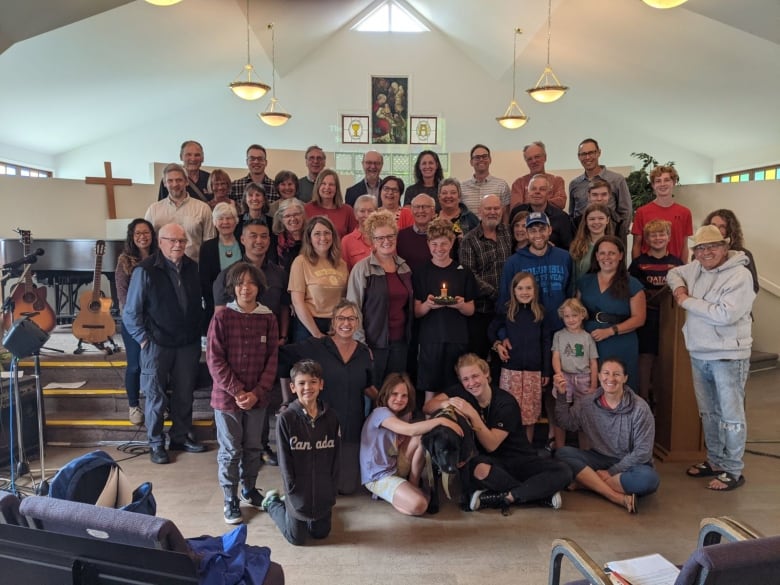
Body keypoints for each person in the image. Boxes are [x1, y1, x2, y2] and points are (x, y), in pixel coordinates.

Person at [667, 225, 756, 492]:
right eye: (701, 248)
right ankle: (715, 460)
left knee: (731, 415)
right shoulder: (695, 267)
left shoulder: (740, 275)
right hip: (699, 351)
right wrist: (680, 290)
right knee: (708, 413)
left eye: (713, 246)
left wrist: (686, 302)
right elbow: (673, 273)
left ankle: (733, 468)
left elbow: (724, 315)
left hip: (728, 355)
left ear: (725, 246)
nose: (706, 253)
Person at [424, 354, 572, 513]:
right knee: (475, 468)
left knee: (564, 471)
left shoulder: (505, 402)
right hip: (492, 463)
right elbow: (428, 407)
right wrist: (446, 403)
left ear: (486, 374)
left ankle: (509, 496)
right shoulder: (461, 391)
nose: (471, 383)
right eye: (465, 379)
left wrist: (472, 414)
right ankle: (538, 494)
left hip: (520, 459)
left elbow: (491, 445)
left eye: (475, 376)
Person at [122, 223, 207, 464]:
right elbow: (130, 312)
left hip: (187, 343)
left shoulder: (192, 267)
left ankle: (180, 436)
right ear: (160, 242)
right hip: (156, 344)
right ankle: (156, 442)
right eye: (172, 240)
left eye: (182, 241)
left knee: (184, 394)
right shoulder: (145, 270)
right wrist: (143, 339)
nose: (178, 245)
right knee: (156, 396)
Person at [213, 219, 290, 467]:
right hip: (233, 361)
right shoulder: (227, 275)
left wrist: (283, 336)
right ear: (242, 240)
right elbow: (218, 322)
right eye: (253, 236)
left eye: (264, 236)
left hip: (266, 348)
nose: (259, 241)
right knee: (232, 445)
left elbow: (284, 308)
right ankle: (231, 495)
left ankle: (261, 452)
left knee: (259, 419)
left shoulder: (278, 273)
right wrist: (237, 390)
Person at [206, 262, 279, 524]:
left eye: (250, 283)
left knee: (252, 447)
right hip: (227, 399)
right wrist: (238, 391)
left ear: (259, 287)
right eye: (240, 283)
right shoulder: (223, 316)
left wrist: (257, 392)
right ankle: (230, 498)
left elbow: (272, 359)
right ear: (232, 287)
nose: (245, 288)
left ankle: (249, 489)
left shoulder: (268, 317)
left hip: (258, 399)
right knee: (229, 450)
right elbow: (214, 359)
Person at [279, 301, 374, 495]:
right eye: (341, 318)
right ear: (333, 322)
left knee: (347, 488)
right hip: (321, 426)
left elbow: (370, 386)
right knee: (322, 488)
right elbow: (282, 357)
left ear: (357, 322)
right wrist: (288, 400)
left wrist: (390, 404)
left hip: (351, 425)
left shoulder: (365, 353)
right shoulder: (316, 346)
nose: (346, 323)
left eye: (351, 318)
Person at [555, 358, 659, 514]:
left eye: (616, 374)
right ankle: (615, 496)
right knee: (562, 454)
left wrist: (611, 472)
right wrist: (562, 396)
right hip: (599, 458)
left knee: (649, 480)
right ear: (598, 376)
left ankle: (587, 483)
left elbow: (643, 452)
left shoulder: (640, 408)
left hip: (630, 464)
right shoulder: (587, 403)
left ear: (625, 378)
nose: (610, 379)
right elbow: (566, 423)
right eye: (606, 373)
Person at [261, 359, 341, 546]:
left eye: (313, 382)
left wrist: (332, 486)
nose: (308, 387)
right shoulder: (286, 419)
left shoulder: (331, 417)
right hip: (297, 491)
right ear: (292, 387)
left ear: (321, 384)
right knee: (296, 538)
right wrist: (291, 489)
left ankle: (310, 511)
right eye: (302, 383)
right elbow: (284, 458)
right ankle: (273, 503)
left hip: (323, 490)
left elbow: (336, 455)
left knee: (321, 534)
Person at [360, 373, 463, 516]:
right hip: (379, 476)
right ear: (386, 394)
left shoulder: (404, 414)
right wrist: (442, 421)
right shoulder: (380, 412)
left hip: (394, 464)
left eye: (404, 395)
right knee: (420, 505)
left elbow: (415, 434)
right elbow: (410, 430)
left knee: (422, 435)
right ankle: (401, 495)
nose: (399, 399)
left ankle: (412, 484)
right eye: (394, 394)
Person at [347, 210, 414, 387]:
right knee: (373, 392)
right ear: (372, 241)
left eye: (390, 236)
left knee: (395, 393)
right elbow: (352, 310)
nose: (386, 241)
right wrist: (361, 345)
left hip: (400, 342)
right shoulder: (362, 269)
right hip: (373, 343)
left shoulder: (404, 267)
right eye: (380, 238)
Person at [413, 218, 477, 403]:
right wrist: (428, 305)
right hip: (430, 338)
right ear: (428, 244)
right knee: (430, 387)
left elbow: (471, 309)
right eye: (434, 244)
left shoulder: (463, 272)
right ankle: (428, 425)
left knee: (455, 388)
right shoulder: (421, 272)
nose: (439, 248)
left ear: (452, 243)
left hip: (457, 337)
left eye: (444, 243)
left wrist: (460, 305)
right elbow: (417, 311)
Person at [489, 272, 552, 442]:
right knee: (509, 411)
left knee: (530, 414)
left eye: (529, 288)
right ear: (513, 290)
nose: (525, 292)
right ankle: (509, 447)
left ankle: (527, 448)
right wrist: (498, 344)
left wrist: (546, 371)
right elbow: (490, 331)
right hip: (511, 371)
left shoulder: (541, 313)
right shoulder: (507, 309)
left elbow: (547, 342)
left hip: (534, 371)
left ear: (535, 290)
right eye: (520, 288)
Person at [578, 235, 646, 389]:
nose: (606, 257)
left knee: (618, 385)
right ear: (596, 256)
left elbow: (639, 318)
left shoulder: (632, 284)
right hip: (590, 340)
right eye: (602, 253)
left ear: (621, 256)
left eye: (611, 253)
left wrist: (610, 331)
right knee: (590, 384)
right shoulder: (584, 281)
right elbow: (577, 310)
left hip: (620, 341)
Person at [628, 219, 683, 402]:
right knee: (645, 358)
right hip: (646, 318)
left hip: (669, 319)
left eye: (662, 234)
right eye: (653, 235)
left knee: (665, 358)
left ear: (669, 237)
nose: (658, 238)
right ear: (646, 239)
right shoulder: (638, 264)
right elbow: (632, 290)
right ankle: (643, 399)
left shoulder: (678, 263)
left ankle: (664, 400)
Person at [497, 211, 574, 332]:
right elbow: (505, 300)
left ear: (550, 230)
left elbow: (571, 294)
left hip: (561, 328)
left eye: (542, 229)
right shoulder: (513, 263)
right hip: (529, 330)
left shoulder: (564, 257)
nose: (538, 235)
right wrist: (503, 333)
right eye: (532, 231)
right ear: (527, 234)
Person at [459, 194, 513, 360]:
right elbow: (469, 275)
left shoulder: (508, 233)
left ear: (502, 211)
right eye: (488, 208)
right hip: (481, 311)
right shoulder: (469, 240)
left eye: (496, 208)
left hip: (507, 310)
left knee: (503, 357)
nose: (492, 212)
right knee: (478, 357)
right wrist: (496, 294)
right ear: (480, 211)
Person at [115, 219, 157, 426]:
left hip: (157, 321)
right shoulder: (124, 260)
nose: (142, 236)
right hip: (133, 322)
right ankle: (134, 405)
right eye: (138, 233)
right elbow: (123, 297)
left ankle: (157, 403)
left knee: (158, 365)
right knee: (135, 365)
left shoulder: (160, 257)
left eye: (146, 232)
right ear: (132, 236)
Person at [287, 216, 348, 341]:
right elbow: (297, 302)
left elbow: (344, 298)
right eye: (317, 234)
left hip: (335, 326)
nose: (323, 238)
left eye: (327, 233)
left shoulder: (341, 264)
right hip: (308, 326)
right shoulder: (301, 262)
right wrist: (316, 333)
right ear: (309, 238)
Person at [551, 298, 599, 449]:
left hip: (584, 377)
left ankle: (585, 450)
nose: (571, 320)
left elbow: (593, 362)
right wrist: (558, 374)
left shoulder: (587, 337)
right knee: (561, 412)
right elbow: (556, 356)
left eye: (574, 315)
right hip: (565, 375)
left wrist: (593, 385)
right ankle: (560, 448)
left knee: (583, 415)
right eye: (567, 316)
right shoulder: (559, 335)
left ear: (582, 315)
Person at [144, 163, 215, 262]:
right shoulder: (153, 210)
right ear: (164, 183)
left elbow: (210, 243)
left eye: (179, 180)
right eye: (170, 181)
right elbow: (146, 242)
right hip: (161, 269)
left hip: (194, 268)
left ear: (186, 182)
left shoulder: (203, 208)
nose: (175, 184)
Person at [568, 138, 632, 243]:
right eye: (583, 154)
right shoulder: (574, 184)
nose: (587, 157)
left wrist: (619, 237)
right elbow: (572, 215)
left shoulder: (616, 180)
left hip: (611, 239)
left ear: (599, 153)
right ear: (579, 157)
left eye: (591, 153)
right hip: (583, 242)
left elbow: (626, 212)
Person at [631, 165, 693, 263]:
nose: (662, 184)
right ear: (653, 185)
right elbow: (636, 245)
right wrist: (636, 270)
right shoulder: (641, 212)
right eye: (658, 181)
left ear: (673, 182)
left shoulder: (685, 212)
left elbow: (684, 246)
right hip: (648, 269)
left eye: (666, 180)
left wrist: (683, 269)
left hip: (675, 268)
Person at [200, 202, 241, 329]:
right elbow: (204, 280)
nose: (225, 222)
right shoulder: (207, 247)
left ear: (236, 221)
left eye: (229, 218)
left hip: (243, 301)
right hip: (216, 303)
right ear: (214, 222)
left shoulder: (244, 243)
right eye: (221, 218)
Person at [509, 174, 574, 250]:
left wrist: (552, 250)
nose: (537, 192)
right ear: (528, 192)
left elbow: (569, 248)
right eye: (533, 189)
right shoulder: (517, 212)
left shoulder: (561, 217)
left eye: (542, 189)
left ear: (549, 193)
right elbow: (510, 241)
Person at [704, 209, 759, 293]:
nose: (716, 230)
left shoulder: (744, 255)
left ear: (730, 230)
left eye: (722, 227)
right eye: (713, 225)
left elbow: (754, 287)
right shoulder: (700, 253)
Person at [510, 141, 566, 210]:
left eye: (537, 157)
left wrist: (532, 202)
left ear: (545, 158)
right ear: (526, 162)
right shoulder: (518, 184)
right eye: (529, 159)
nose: (534, 161)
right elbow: (516, 208)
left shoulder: (557, 181)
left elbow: (561, 203)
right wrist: (546, 201)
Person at [304, 169, 357, 238]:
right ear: (318, 186)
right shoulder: (307, 209)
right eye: (323, 183)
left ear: (336, 188)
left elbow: (354, 238)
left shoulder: (347, 210)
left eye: (331, 184)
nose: (327, 187)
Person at [459, 144, 511, 215]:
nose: (481, 159)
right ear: (471, 162)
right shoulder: (462, 187)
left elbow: (506, 213)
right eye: (477, 157)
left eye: (484, 156)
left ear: (490, 160)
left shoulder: (502, 185)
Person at [435, 178, 480, 257]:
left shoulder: (470, 219)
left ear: (459, 197)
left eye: (453, 193)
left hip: (464, 265)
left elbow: (480, 245)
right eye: (444, 193)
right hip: (437, 266)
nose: (448, 196)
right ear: (439, 197)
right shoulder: (433, 218)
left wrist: (465, 241)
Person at [569, 203, 614, 280]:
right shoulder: (577, 246)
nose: (596, 222)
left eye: (601, 218)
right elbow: (573, 276)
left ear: (607, 220)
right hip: (582, 290)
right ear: (586, 221)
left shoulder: (615, 246)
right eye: (592, 219)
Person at [396, 193, 436, 272]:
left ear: (433, 211)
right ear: (411, 210)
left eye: (426, 207)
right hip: (408, 283)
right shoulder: (401, 236)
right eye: (417, 207)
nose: (421, 210)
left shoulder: (441, 235)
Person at [341, 194, 378, 271]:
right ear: (355, 214)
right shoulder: (346, 241)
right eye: (362, 211)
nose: (367, 215)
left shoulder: (384, 237)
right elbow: (344, 272)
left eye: (370, 211)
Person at [273, 198, 305, 274]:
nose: (293, 219)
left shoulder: (312, 237)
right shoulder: (275, 240)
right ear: (281, 219)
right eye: (287, 216)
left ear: (303, 215)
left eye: (296, 214)